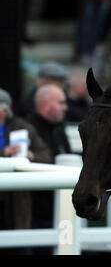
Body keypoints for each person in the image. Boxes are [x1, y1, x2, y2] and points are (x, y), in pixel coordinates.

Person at [0, 88, 51, 232]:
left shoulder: (21, 127)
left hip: (15, 198)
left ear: (5, 110)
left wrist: (31, 156)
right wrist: (4, 152)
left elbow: (46, 155)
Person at [26, 85, 71, 235]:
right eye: (61, 103)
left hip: (62, 206)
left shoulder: (58, 128)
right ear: (46, 103)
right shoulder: (27, 128)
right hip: (36, 211)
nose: (65, 107)